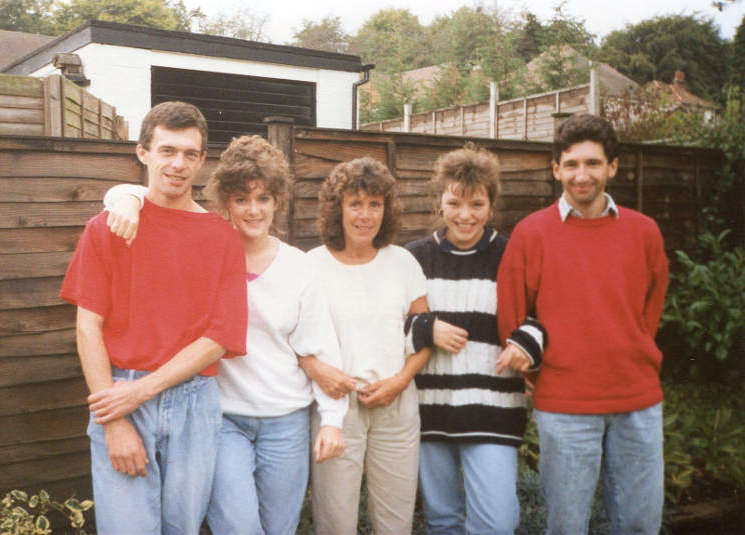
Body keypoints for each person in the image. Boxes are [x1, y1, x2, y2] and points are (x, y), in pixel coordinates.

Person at [102, 134, 348, 535]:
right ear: (225, 202)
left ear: (277, 202)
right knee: (237, 527)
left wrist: (333, 420)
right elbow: (146, 198)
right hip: (225, 418)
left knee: (279, 528)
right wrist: (125, 197)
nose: (253, 210)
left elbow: (320, 347)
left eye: (264, 199)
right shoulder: (207, 247)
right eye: (241, 199)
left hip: (286, 420)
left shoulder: (301, 268)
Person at [59, 101, 248, 535]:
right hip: (118, 394)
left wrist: (142, 391)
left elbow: (220, 336)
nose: (178, 164)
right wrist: (116, 417)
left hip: (194, 401)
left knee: (181, 528)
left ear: (202, 160)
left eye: (190, 153)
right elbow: (88, 328)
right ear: (143, 152)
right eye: (167, 150)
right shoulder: (106, 227)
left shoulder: (220, 236)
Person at [497, 113, 669, 535]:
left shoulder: (644, 231)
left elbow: (651, 306)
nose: (582, 174)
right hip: (566, 406)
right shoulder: (531, 233)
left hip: (638, 401)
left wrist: (632, 352)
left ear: (613, 167)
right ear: (556, 169)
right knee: (567, 526)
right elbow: (512, 313)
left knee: (640, 525)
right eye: (571, 164)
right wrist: (540, 372)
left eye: (593, 163)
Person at [404, 144, 545, 535]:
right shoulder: (413, 258)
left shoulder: (513, 254)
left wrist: (524, 344)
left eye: (477, 205)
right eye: (454, 203)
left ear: (491, 205)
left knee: (496, 523)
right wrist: (425, 329)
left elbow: (546, 316)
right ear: (440, 203)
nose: (465, 215)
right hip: (430, 410)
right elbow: (385, 324)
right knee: (442, 520)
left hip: (493, 410)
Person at [299, 157, 432, 535]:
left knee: (395, 520)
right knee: (334, 519)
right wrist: (318, 370)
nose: (365, 215)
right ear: (336, 208)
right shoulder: (311, 266)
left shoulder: (403, 262)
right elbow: (292, 341)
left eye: (375, 204)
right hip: (337, 409)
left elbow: (425, 336)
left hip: (396, 404)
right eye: (355, 204)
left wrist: (401, 381)